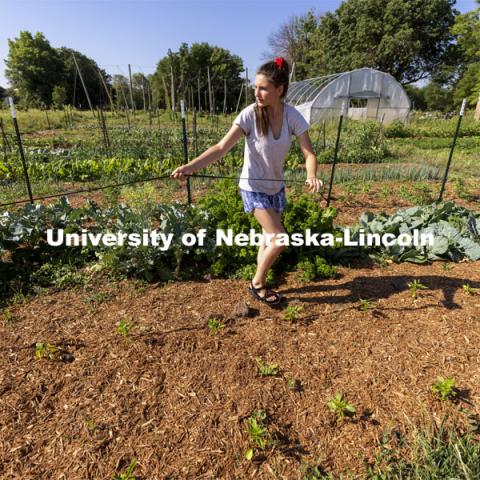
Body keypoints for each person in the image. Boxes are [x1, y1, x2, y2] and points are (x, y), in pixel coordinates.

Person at [171, 57, 322, 305]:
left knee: (268, 238)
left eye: (263, 88)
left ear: (279, 90)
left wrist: (311, 174)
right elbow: (220, 148)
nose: (257, 93)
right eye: (255, 87)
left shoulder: (292, 116)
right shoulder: (249, 115)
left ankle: (260, 276)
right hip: (253, 187)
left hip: (276, 187)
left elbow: (309, 152)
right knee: (280, 238)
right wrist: (189, 167)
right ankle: (257, 283)